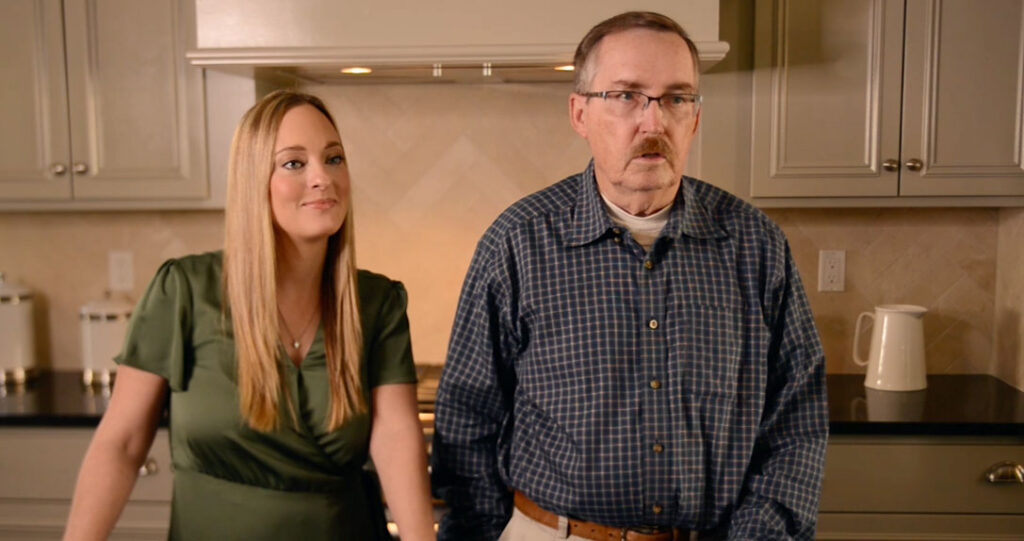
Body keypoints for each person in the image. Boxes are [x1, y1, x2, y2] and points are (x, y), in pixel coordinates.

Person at [431, 11, 827, 541]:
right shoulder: (518, 242)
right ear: (579, 113)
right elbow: (468, 422)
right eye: (626, 96)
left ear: (695, 117)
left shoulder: (756, 247)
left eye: (676, 98)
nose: (653, 122)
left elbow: (797, 423)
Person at [63, 90, 435, 540]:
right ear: (253, 180)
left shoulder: (376, 302)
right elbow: (120, 445)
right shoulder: (184, 291)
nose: (323, 178)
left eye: (334, 158)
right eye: (294, 163)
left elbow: (395, 438)